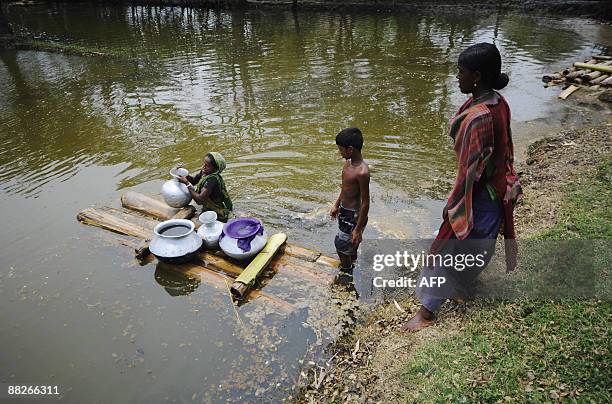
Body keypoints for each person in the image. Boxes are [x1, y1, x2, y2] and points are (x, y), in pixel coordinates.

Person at [401, 43, 522, 332]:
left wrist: (454, 207)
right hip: (497, 191)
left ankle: (427, 313)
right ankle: (461, 287)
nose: (458, 77)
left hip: (480, 195)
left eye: (461, 72)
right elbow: (504, 149)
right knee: (480, 246)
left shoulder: (476, 118)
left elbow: (469, 172)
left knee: (445, 251)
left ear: (477, 76)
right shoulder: (497, 102)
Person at [330, 127, 370, 274]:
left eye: (341, 150)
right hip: (344, 211)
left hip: (354, 215)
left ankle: (347, 270)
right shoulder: (348, 164)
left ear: (350, 149)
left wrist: (358, 229)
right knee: (349, 242)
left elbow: (365, 202)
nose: (340, 153)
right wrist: (336, 204)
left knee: (340, 243)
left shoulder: (362, 172)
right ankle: (352, 258)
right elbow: (345, 188)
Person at [178, 152, 233, 222]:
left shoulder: (213, 180)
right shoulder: (204, 172)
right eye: (204, 163)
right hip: (207, 207)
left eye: (207, 166)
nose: (203, 167)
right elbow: (193, 181)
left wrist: (187, 183)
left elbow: (200, 200)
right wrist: (182, 173)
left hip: (215, 211)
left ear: (215, 169)